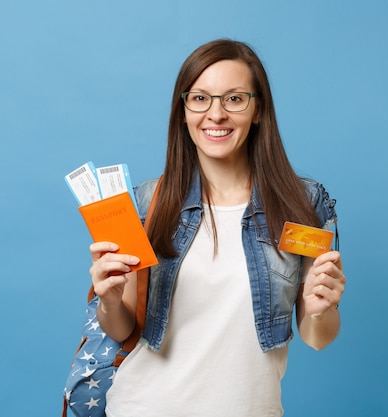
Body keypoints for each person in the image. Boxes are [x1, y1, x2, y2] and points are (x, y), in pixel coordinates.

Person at [88, 39, 346, 417]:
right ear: (184, 111)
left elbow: (316, 337)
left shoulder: (302, 204)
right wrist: (108, 299)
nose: (216, 114)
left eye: (235, 99)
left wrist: (322, 310)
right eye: (200, 98)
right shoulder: (146, 204)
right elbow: (121, 327)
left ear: (258, 110)